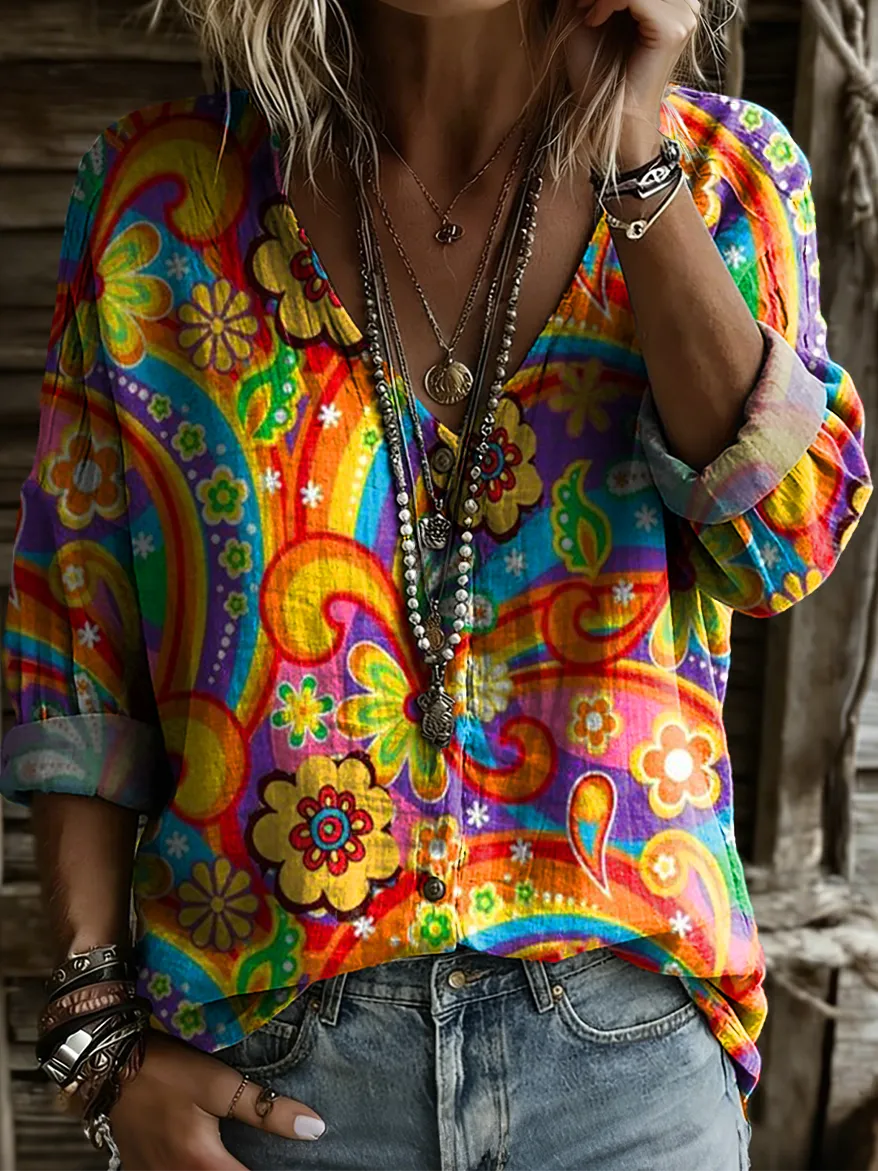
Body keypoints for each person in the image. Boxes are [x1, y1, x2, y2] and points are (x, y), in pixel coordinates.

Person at [1, 0, 871, 1165]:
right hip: (270, 1070)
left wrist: (629, 150)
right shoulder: (161, 198)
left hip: (622, 1077)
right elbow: (77, 641)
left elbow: (778, 544)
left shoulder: (722, 175)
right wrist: (95, 1039)